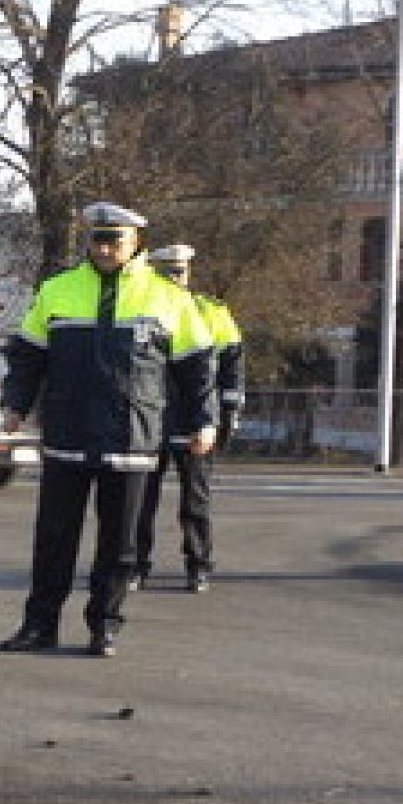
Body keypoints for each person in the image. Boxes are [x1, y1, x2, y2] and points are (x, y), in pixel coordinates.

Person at [0, 203, 217, 658]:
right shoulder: (57, 290)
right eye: (96, 239)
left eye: (113, 240)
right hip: (67, 434)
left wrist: (203, 420)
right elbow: (29, 354)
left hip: (131, 436)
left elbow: (197, 368)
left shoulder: (168, 298)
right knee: (53, 540)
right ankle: (39, 626)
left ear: (136, 242)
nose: (103, 248)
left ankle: (105, 625)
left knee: (120, 545)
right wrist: (14, 403)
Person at [134, 243, 244, 594]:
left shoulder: (212, 311)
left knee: (195, 499)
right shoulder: (138, 309)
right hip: (148, 419)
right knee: (138, 500)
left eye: (180, 271)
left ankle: (198, 565)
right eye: (167, 271)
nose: (175, 278)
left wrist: (229, 412)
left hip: (195, 420)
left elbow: (231, 364)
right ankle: (134, 565)